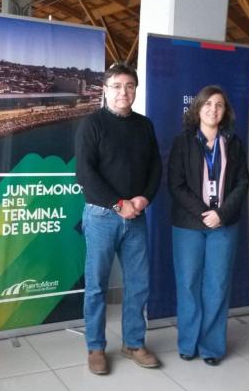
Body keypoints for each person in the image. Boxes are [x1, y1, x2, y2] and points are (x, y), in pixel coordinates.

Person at [75, 63, 162, 375]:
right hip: (101, 217)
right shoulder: (92, 125)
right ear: (105, 89)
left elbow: (155, 168)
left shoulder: (144, 125)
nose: (123, 92)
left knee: (138, 284)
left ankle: (134, 343)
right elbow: (85, 173)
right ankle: (96, 347)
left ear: (135, 90)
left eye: (129, 86)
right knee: (97, 285)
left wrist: (143, 199)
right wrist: (118, 203)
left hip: (136, 217)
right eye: (116, 86)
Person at [167, 85, 249, 366]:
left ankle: (212, 347)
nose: (213, 109)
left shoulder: (234, 143)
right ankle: (188, 343)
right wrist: (205, 213)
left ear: (225, 111)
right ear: (198, 108)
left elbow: (242, 183)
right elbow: (175, 185)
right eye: (208, 104)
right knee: (188, 284)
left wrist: (221, 214)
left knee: (217, 285)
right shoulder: (183, 142)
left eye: (219, 105)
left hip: (224, 225)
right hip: (189, 224)